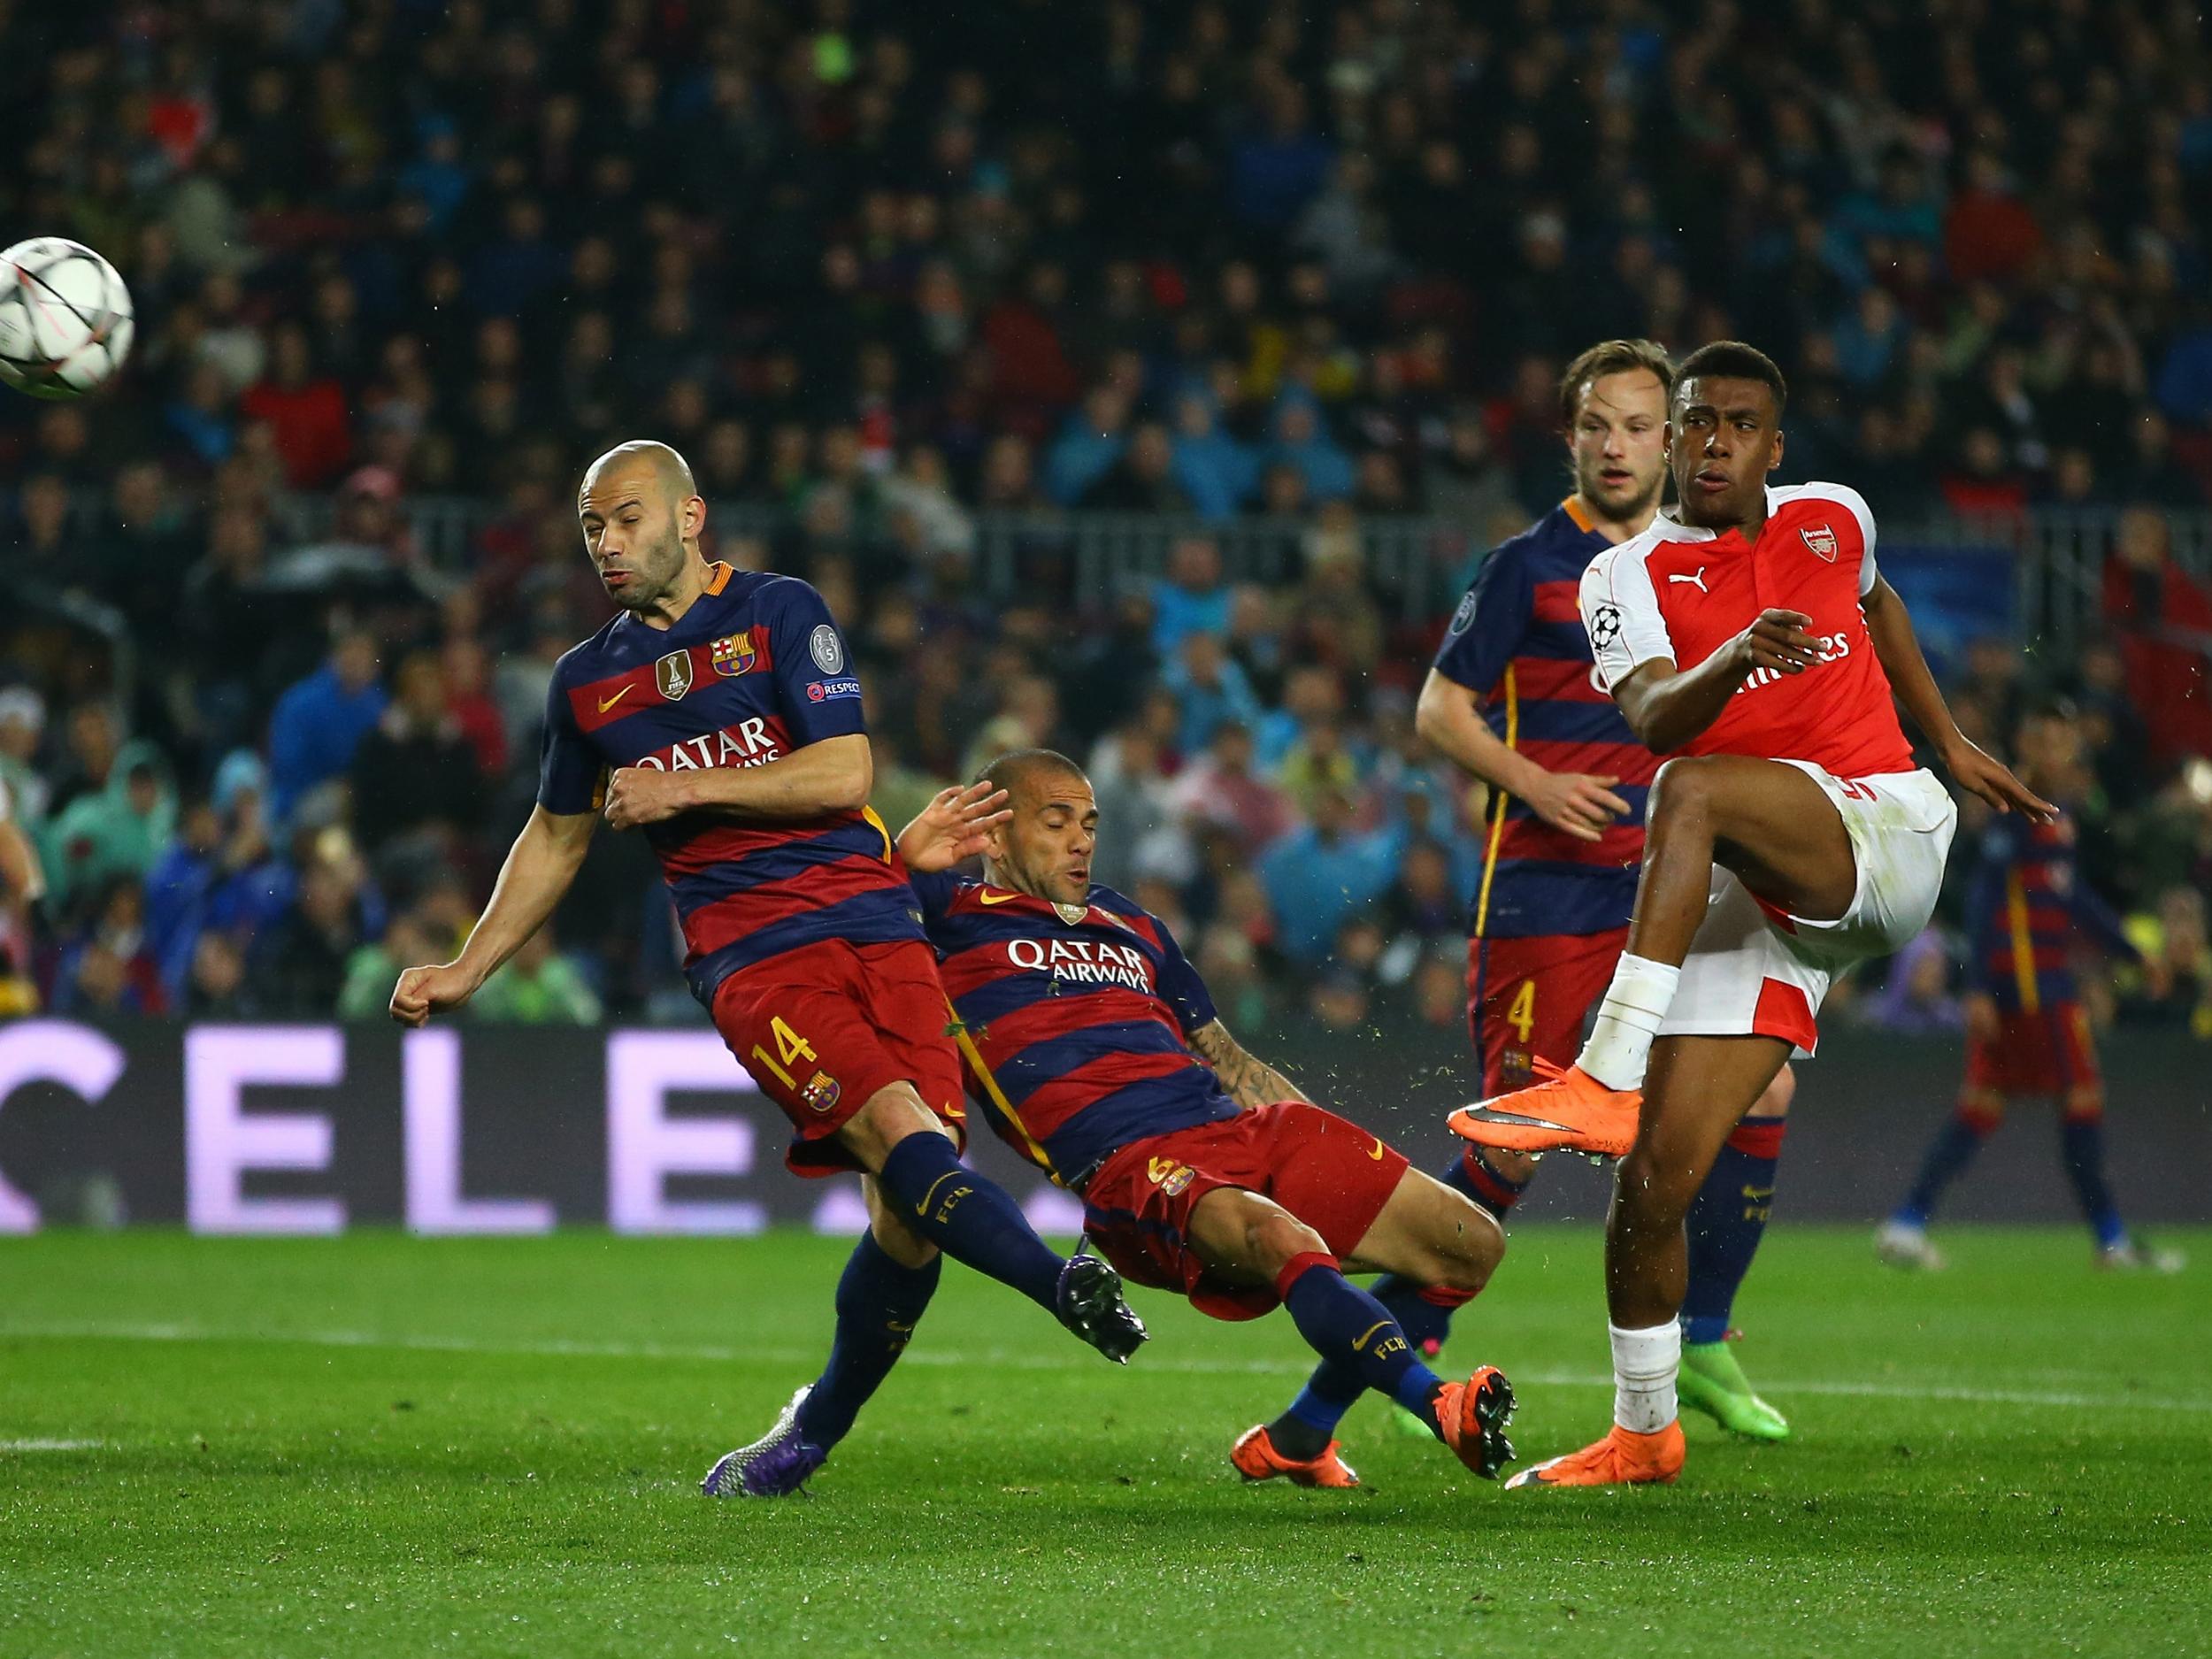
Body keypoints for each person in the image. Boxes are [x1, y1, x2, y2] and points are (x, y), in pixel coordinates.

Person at [388, 441, 1146, 1501]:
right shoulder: (585, 682)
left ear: (692, 519)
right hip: (753, 956)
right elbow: (557, 835)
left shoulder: (782, 613)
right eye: (593, 526)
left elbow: (845, 770)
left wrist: (680, 791)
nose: (608, 542)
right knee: (896, 1138)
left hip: (878, 921)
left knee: (909, 1207)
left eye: (629, 518)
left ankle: (811, 1429)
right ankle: (1061, 1284)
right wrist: (470, 964)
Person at [1452, 342, 2048, 1487]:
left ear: (1775, 444)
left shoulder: (1832, 514)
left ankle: (1605, 1070)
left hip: (1885, 826)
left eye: (1739, 422)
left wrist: (1952, 740)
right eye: (1696, 421)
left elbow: (1879, 604)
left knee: (1695, 798)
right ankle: (1644, 1428)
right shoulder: (1620, 577)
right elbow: (1659, 720)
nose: (1713, 440)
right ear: (1671, 437)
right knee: (1656, 1183)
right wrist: (1728, 657)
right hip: (1768, 877)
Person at [1262, 341, 1797, 1454]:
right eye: (1597, 424)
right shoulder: (1527, 565)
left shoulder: (1708, 560)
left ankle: (1699, 1338)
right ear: (1570, 436)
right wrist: (1535, 780)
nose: (1618, 445)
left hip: (1674, 891)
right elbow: (1438, 711)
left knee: (1764, 1090)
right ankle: (1349, 1391)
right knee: (1509, 1151)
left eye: (1642, 426)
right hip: (1544, 898)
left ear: (1674, 440)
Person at [901, 748, 1517, 1490]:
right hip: (1133, 1167)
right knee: (1280, 1236)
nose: (1080, 840)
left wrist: (1324, 1142)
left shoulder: (1134, 924)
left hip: (1235, 1126)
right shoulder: (948, 918)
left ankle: (1303, 1432)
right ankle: (1438, 1401)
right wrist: (906, 858)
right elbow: (852, 906)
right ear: (995, 836)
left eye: (1089, 823)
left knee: (1470, 1245)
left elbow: (1224, 1054)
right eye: (1055, 821)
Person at [1878, 705, 2183, 1274]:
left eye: (2064, 743)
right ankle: (2111, 1241)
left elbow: (2073, 900)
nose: (2058, 754)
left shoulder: (2053, 816)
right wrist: (1977, 988)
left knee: (1980, 1109)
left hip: (2030, 991)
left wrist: (2134, 953)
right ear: (2027, 747)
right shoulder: (2013, 812)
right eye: (2045, 741)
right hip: (2033, 993)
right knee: (2080, 1100)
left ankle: (1907, 1223)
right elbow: (1986, 901)